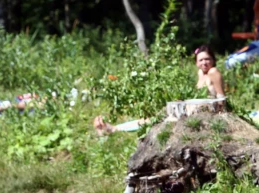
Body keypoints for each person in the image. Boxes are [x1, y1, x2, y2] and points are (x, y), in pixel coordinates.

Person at [94, 44, 225, 135]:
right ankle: (115, 129)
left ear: (213, 60)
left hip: (205, 112)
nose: (204, 62)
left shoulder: (214, 72)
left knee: (157, 119)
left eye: (207, 59)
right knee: (154, 118)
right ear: (196, 63)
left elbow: (221, 98)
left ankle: (114, 129)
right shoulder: (201, 74)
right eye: (201, 60)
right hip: (194, 110)